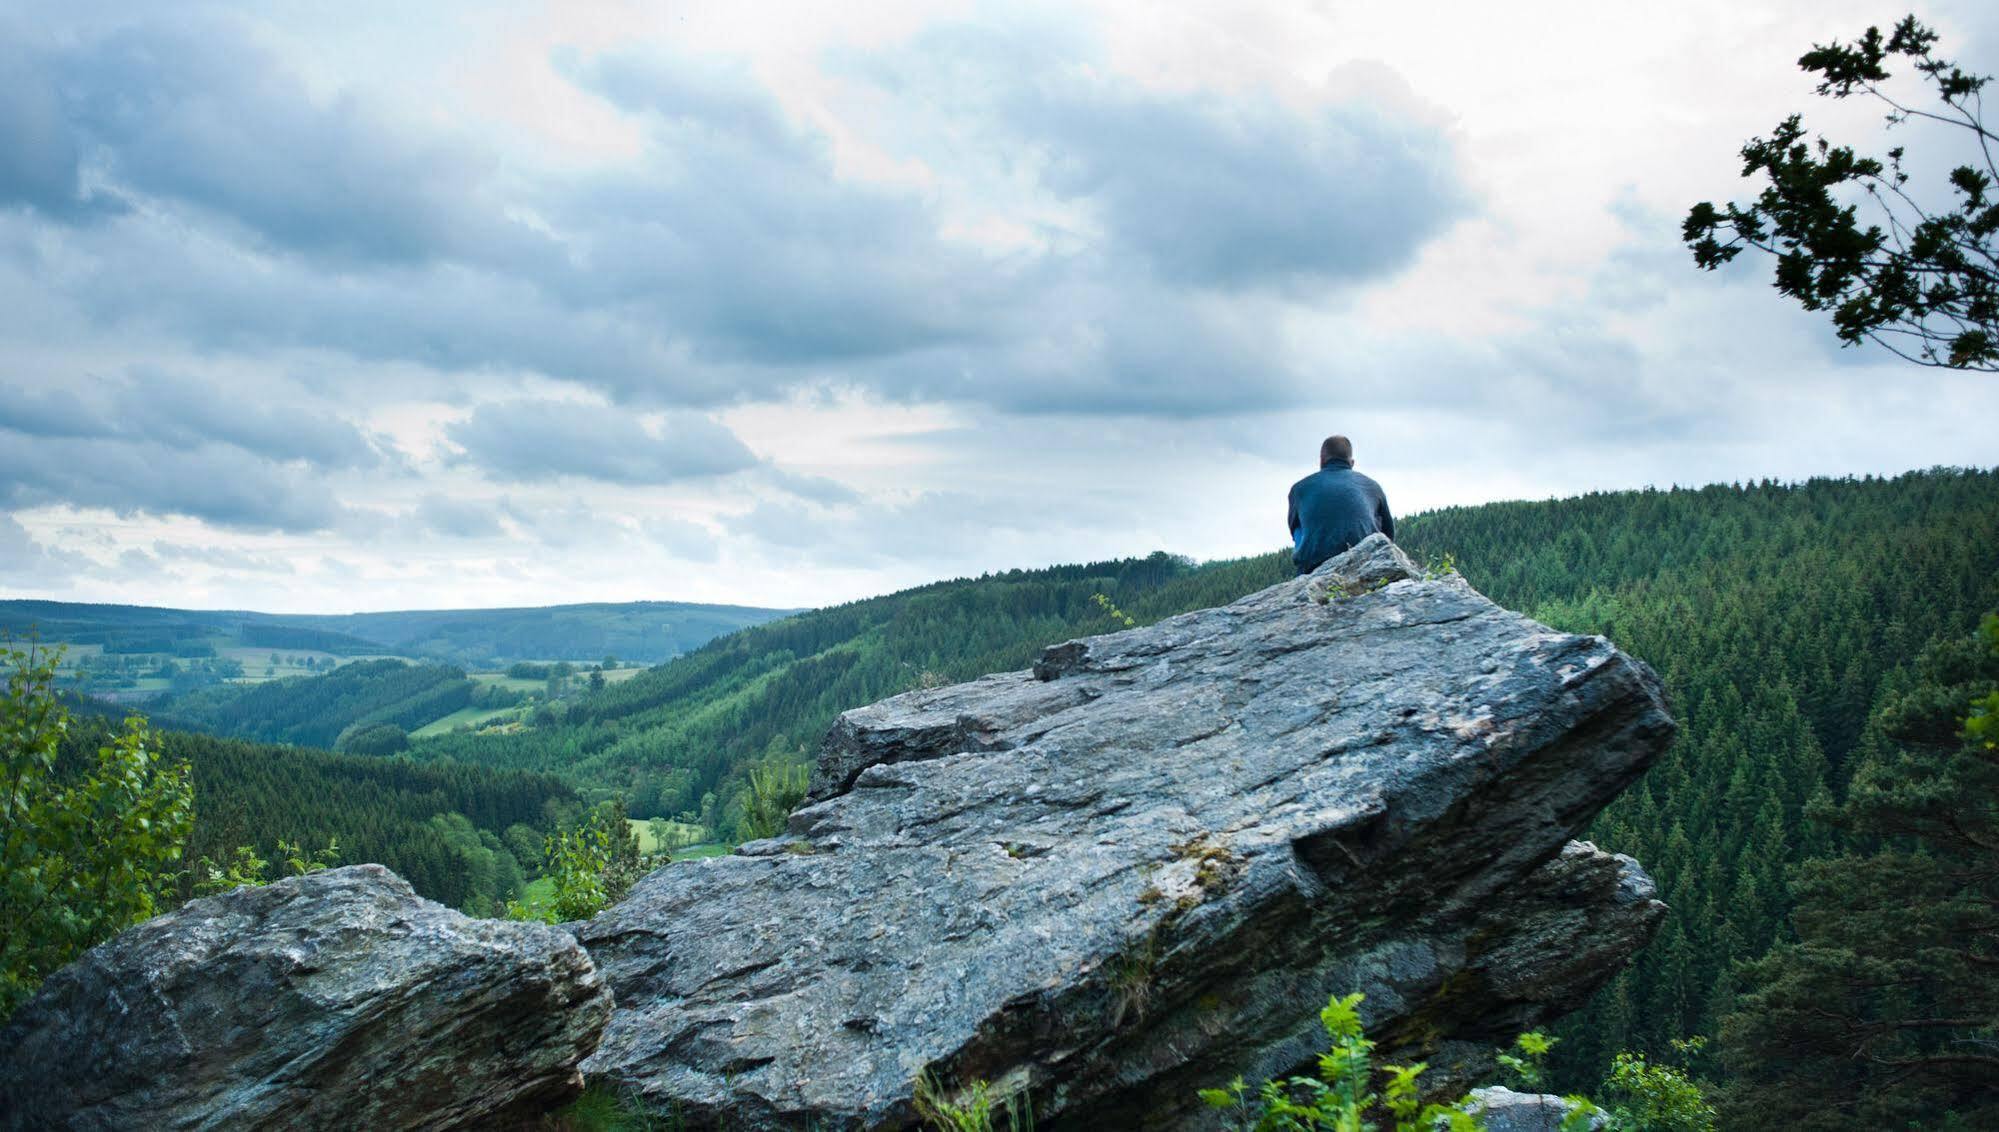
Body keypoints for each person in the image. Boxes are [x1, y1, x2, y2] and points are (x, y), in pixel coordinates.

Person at [1287, 435, 1394, 575]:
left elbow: (1293, 528)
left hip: (1314, 566)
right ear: (1352, 462)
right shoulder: (1372, 486)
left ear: (1322, 461)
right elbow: (1389, 534)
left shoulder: (1299, 489)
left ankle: (1305, 570)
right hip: (1365, 561)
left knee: (1299, 527)